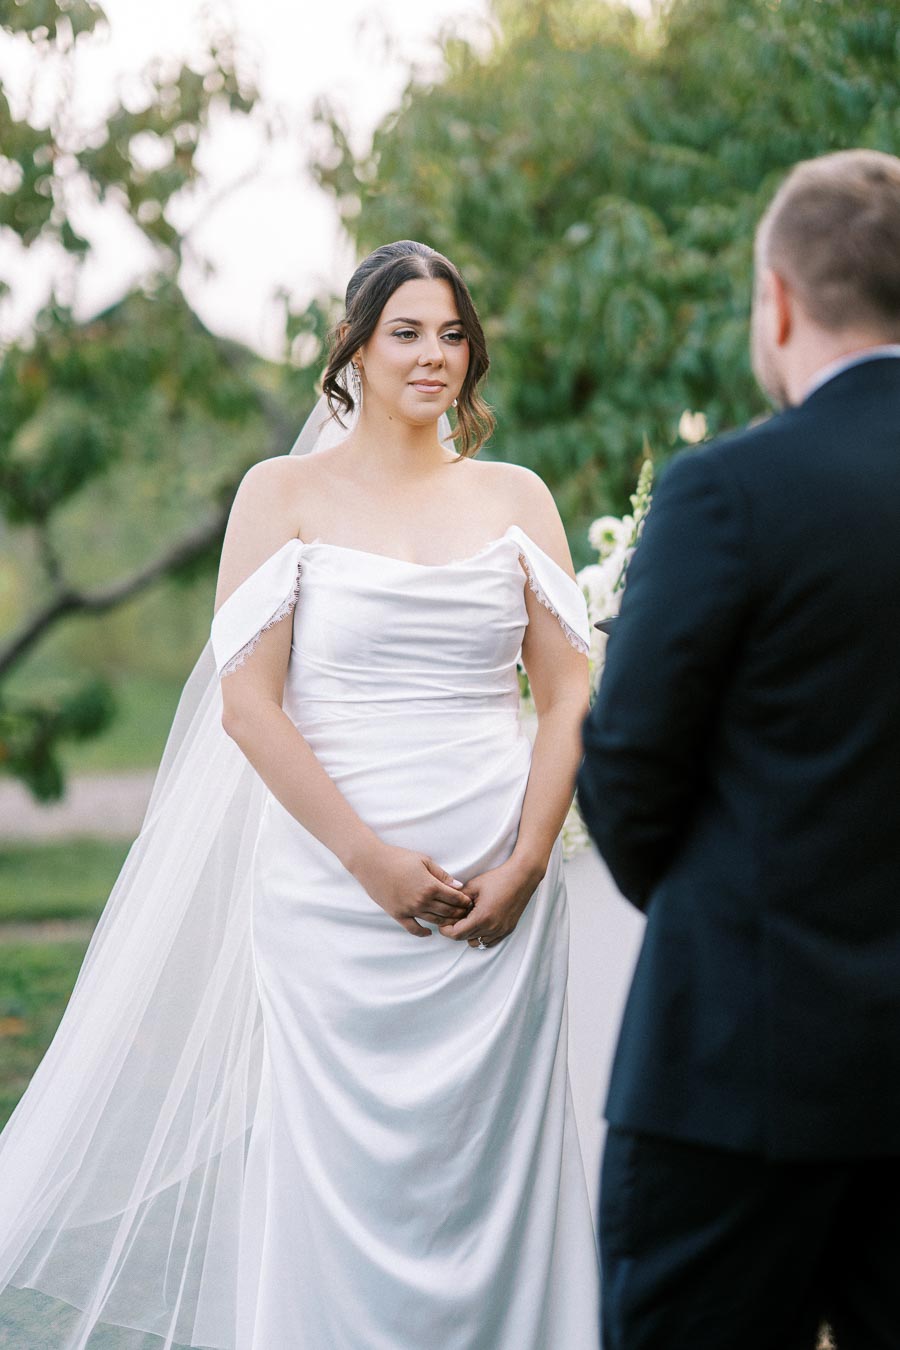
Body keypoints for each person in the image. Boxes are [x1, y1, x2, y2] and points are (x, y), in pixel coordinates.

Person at [0, 240, 600, 1348]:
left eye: (454, 333)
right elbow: (250, 706)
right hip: (333, 890)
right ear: (355, 350)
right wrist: (366, 859)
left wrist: (525, 860)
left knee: (494, 1163)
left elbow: (567, 696)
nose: (435, 356)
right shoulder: (280, 495)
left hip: (499, 886)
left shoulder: (516, 496)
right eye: (407, 332)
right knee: (339, 1167)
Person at [577, 148, 900, 1349]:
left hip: (739, 1074)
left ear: (778, 299)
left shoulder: (727, 491)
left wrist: (735, 914)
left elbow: (628, 776)